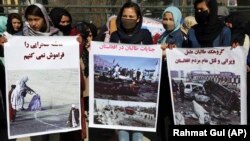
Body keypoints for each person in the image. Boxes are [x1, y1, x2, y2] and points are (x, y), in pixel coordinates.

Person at [109, 1, 153, 141]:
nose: (128, 19)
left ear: (138, 18)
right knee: (122, 128)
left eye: (131, 16)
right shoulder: (115, 36)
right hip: (120, 89)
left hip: (137, 90)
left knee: (137, 126)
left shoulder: (145, 35)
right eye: (125, 16)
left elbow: (152, 55)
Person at [156, 6, 184, 141]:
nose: (167, 22)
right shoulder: (164, 35)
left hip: (169, 82)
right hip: (162, 80)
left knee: (170, 115)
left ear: (177, 19)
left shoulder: (178, 36)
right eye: (165, 18)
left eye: (171, 19)